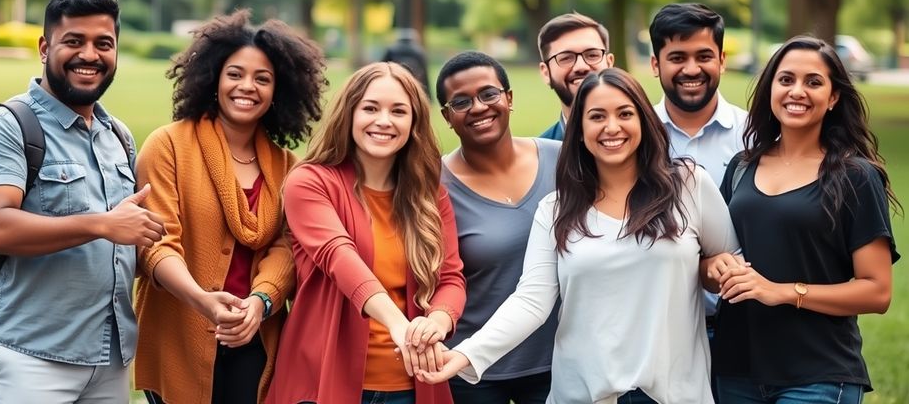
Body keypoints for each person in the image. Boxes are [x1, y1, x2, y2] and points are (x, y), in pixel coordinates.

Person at [418, 67, 740, 404]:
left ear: (644, 120)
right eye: (596, 116)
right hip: (585, 393)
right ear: (580, 131)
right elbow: (531, 300)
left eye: (625, 114)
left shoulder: (689, 186)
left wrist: (716, 267)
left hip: (673, 392)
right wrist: (467, 354)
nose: (611, 127)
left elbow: (730, 262)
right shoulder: (556, 208)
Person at [0, 0, 164, 403]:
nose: (90, 54)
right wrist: (104, 225)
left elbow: (127, 245)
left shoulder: (118, 137)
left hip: (109, 361)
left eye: (103, 43)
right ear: (44, 47)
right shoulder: (4, 126)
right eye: (74, 41)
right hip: (30, 358)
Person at [133, 11, 327, 404]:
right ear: (213, 78)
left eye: (263, 79)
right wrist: (201, 299)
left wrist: (261, 302)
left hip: (256, 338)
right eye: (235, 74)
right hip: (179, 334)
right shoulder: (168, 145)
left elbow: (288, 248)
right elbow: (156, 244)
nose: (247, 87)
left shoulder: (289, 167)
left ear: (280, 91)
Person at [712, 36, 900, 403]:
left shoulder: (856, 176)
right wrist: (715, 267)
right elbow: (713, 256)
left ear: (833, 98)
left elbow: (878, 291)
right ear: (770, 90)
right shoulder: (740, 168)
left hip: (817, 374)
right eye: (786, 80)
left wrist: (781, 291)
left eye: (813, 82)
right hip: (736, 370)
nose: (797, 91)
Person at [266, 62, 466, 404]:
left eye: (399, 111)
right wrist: (399, 326)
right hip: (324, 381)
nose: (384, 121)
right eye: (370, 108)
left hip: (413, 384)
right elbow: (340, 257)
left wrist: (437, 321)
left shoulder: (429, 194)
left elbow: (451, 278)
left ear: (414, 122)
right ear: (350, 114)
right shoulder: (310, 182)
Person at [435, 51, 560, 404]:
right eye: (461, 101)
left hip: (555, 360)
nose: (478, 107)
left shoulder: (561, 160)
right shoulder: (434, 186)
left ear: (509, 98)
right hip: (471, 368)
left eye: (489, 94)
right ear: (447, 117)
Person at [648, 3, 747, 342]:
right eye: (677, 57)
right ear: (655, 64)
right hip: (661, 332)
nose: (692, 69)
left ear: (722, 60)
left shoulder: (757, 136)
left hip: (747, 327)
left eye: (704, 56)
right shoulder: (634, 140)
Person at [536, 12, 615, 140]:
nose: (581, 66)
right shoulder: (541, 156)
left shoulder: (651, 142)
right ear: (546, 73)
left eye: (592, 55)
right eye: (566, 58)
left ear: (609, 63)